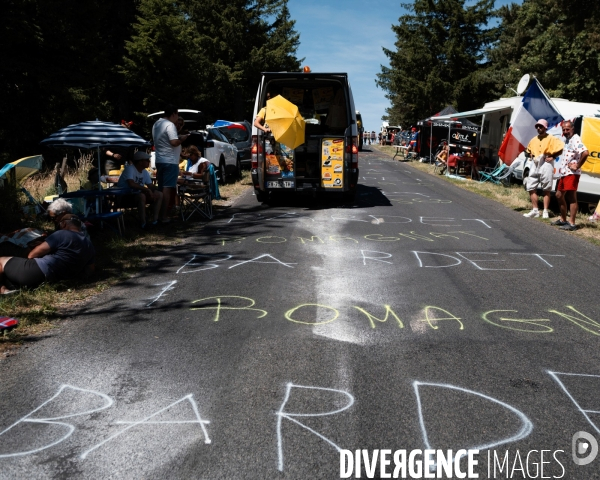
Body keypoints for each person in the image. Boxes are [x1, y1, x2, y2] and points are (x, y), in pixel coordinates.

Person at [0, 213, 95, 294]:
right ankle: (10, 286)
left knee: (1, 260)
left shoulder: (61, 234)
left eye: (59, 225)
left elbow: (32, 255)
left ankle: (2, 290)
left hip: (37, 272)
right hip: (55, 279)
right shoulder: (89, 243)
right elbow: (90, 269)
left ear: (64, 224)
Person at [152, 104, 189, 223]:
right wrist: (182, 139)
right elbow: (173, 142)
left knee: (160, 188)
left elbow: (165, 141)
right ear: (173, 114)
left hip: (160, 160)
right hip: (170, 161)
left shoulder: (157, 124)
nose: (177, 118)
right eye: (177, 115)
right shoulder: (170, 125)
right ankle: (163, 216)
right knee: (167, 189)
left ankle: (156, 215)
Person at [551, 121, 589, 231]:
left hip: (572, 173)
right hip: (564, 172)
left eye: (567, 129)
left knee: (571, 197)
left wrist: (577, 165)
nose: (565, 131)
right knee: (558, 195)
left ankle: (572, 223)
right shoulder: (568, 140)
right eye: (563, 129)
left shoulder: (575, 139)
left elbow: (585, 153)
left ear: (572, 129)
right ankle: (563, 219)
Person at [523, 119, 564, 219]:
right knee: (531, 186)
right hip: (536, 162)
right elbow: (528, 150)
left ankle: (545, 210)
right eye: (537, 126)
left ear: (545, 127)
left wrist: (553, 157)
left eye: (540, 126)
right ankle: (535, 210)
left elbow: (561, 149)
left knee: (546, 188)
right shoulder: (534, 139)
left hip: (546, 162)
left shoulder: (552, 138)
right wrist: (530, 154)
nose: (538, 128)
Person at [117, 151, 163, 229]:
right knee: (141, 196)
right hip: (125, 197)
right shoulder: (130, 169)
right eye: (147, 160)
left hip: (136, 196)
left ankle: (155, 221)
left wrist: (158, 189)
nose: (149, 162)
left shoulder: (145, 172)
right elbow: (131, 184)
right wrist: (147, 190)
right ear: (140, 162)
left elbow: (150, 186)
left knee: (159, 194)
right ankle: (143, 223)